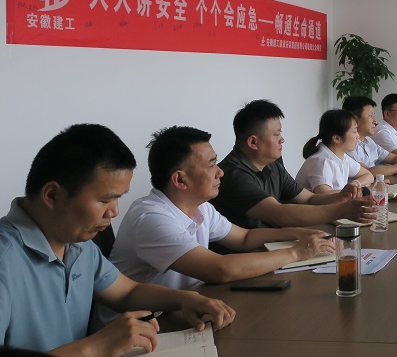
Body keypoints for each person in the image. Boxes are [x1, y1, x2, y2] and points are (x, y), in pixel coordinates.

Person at [0, 124, 235, 356]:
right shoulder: (5, 258)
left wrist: (184, 299)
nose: (114, 212)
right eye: (105, 200)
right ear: (52, 195)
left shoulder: (79, 245)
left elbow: (127, 292)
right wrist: (97, 346)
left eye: (118, 199)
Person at [109, 126, 336, 300]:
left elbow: (245, 237)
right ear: (180, 180)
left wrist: (298, 233)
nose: (220, 172)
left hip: (184, 308)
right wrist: (296, 252)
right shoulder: (151, 218)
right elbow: (219, 269)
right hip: (141, 329)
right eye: (211, 165)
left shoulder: (201, 207)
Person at [210, 100, 376, 229]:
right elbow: (279, 214)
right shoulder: (234, 175)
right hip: (247, 255)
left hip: (273, 243)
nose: (282, 139)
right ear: (253, 142)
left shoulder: (273, 165)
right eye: (276, 134)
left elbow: (309, 198)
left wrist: (340, 196)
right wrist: (342, 210)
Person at [296, 110, 374, 193]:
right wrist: (354, 191)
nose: (357, 136)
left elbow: (369, 175)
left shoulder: (342, 156)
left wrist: (354, 185)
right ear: (336, 138)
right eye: (354, 132)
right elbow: (324, 195)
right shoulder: (322, 161)